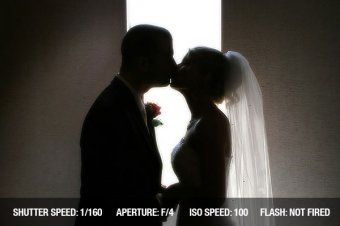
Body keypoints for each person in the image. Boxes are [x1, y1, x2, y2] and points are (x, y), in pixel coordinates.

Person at [76, 24, 177, 226]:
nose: (174, 66)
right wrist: (159, 204)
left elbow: (132, 173)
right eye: (167, 56)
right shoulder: (110, 110)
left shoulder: (136, 105)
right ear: (143, 63)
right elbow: (109, 192)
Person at [164, 47, 273, 226]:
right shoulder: (198, 120)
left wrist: (176, 192)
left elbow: (215, 196)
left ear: (207, 78)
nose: (178, 66)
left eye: (188, 63)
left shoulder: (210, 124)